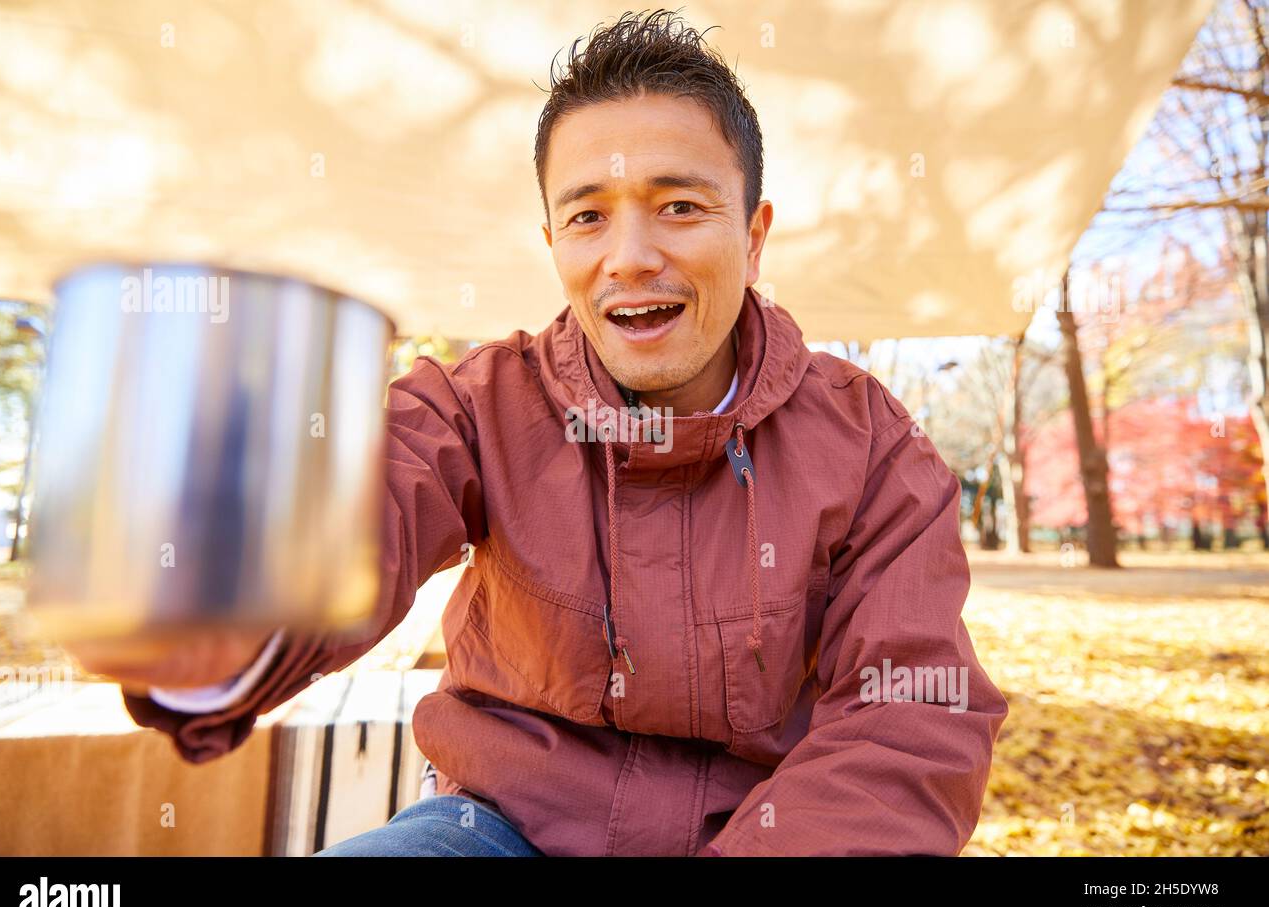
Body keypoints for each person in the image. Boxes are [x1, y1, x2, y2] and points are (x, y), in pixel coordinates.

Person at [67, 9, 1009, 857]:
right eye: (587, 216)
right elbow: (360, 508)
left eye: (680, 206)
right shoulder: (476, 405)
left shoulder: (873, 446)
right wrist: (226, 617)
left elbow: (906, 720)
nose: (629, 257)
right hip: (492, 831)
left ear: (755, 234)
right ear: (553, 242)